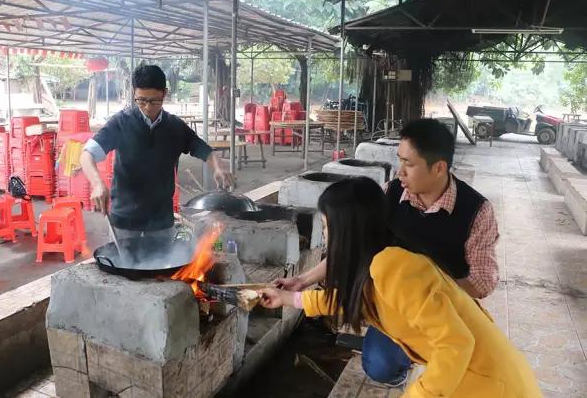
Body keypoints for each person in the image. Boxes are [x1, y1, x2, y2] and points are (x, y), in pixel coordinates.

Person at [260, 177, 541, 398]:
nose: (325, 235)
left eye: (326, 226)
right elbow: (351, 299)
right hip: (471, 374)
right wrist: (287, 298)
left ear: (348, 228)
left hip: (491, 384)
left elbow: (455, 344)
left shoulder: (393, 266)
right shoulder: (377, 262)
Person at [275, 118, 500, 384]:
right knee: (380, 364)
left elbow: (482, 282)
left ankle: (433, 362)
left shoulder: (476, 211)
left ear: (439, 168)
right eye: (399, 160)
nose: (399, 171)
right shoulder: (390, 195)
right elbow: (354, 246)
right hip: (394, 305)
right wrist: (300, 282)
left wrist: (426, 288)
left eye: (409, 164)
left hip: (449, 309)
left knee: (453, 358)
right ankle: (405, 366)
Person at [81, 64, 233, 242]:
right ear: (134, 93)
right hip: (124, 222)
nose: (147, 107)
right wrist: (97, 183)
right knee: (123, 268)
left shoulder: (174, 127)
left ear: (164, 94)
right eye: (141, 100)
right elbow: (87, 154)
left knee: (163, 268)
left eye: (154, 101)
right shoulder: (121, 123)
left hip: (161, 222)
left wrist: (218, 167)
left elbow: (203, 149)